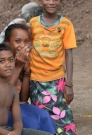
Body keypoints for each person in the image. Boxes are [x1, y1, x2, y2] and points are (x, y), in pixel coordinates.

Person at [0, 43, 53, 135]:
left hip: (7, 130)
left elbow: (18, 121)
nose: (8, 64)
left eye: (11, 60)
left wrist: (17, 132)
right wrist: (8, 134)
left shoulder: (12, 89)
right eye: (2, 61)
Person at [29, 0, 77, 135]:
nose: (51, 2)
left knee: (63, 119)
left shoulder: (66, 24)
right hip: (36, 81)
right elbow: (28, 49)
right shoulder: (33, 23)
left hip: (57, 81)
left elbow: (69, 55)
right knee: (42, 119)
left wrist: (69, 84)